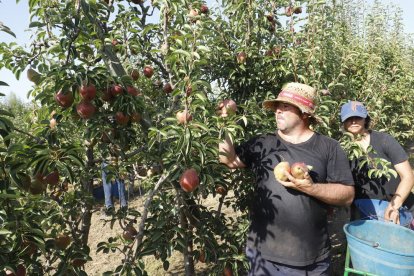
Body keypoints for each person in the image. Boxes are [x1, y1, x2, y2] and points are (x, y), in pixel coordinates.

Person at [218, 82, 355, 275]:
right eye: (277, 107)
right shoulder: (263, 142)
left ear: (305, 113)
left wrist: (310, 187)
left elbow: (347, 195)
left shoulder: (329, 147)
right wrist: (225, 122)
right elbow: (229, 160)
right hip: (262, 255)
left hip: (310, 259)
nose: (278, 111)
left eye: (285, 106)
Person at [340, 101, 414, 228]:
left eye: (357, 117)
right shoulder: (342, 149)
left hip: (399, 206)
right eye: (348, 119)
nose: (353, 122)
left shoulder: (384, 140)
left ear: (365, 119)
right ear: (343, 122)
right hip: (365, 210)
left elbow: (408, 176)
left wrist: (394, 205)